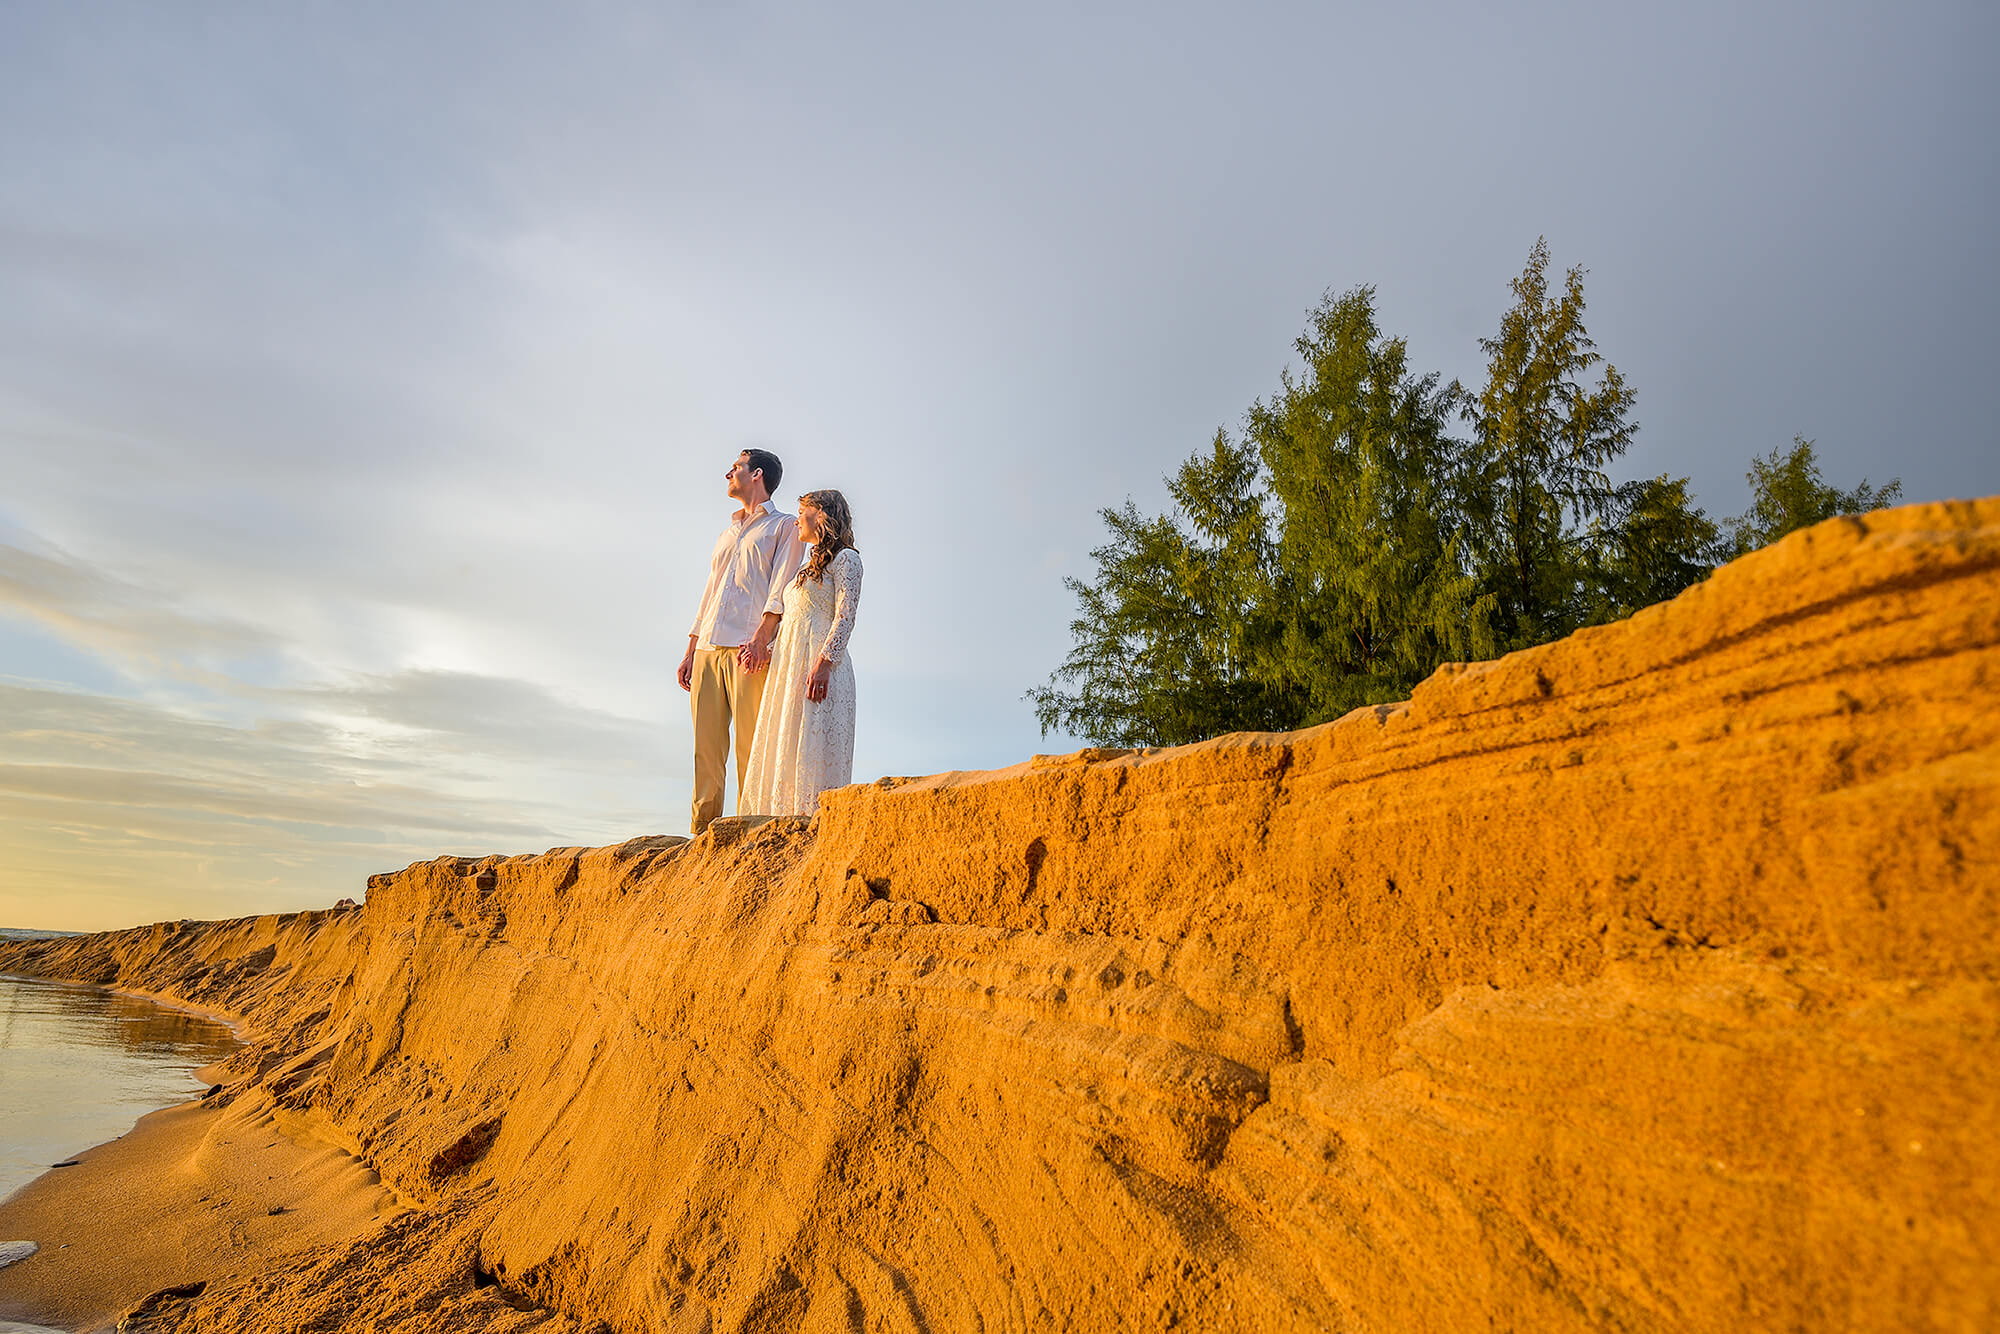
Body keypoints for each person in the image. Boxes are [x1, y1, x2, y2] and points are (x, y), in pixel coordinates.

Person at [679, 449, 806, 834]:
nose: (728, 474)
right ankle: (703, 832)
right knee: (706, 748)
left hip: (748, 650)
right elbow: (710, 592)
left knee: (752, 744)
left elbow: (782, 585)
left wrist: (762, 638)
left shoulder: (784, 527)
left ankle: (748, 828)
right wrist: (690, 649)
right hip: (707, 649)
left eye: (735, 468)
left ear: (757, 474)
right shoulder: (727, 532)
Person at [741, 489, 862, 818]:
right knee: (787, 743)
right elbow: (793, 620)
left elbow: (845, 616)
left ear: (820, 515)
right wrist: (766, 650)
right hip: (789, 666)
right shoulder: (805, 568)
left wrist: (823, 664)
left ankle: (813, 821)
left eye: (802, 512)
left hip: (820, 665)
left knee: (812, 745)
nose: (797, 519)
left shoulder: (846, 559)